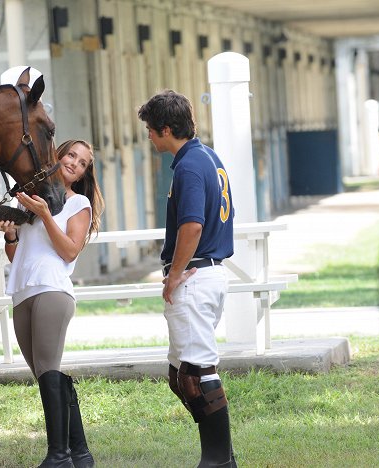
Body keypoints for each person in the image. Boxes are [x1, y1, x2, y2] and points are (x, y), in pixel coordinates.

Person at [0, 139, 104, 468]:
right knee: (45, 374)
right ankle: (80, 454)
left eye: (82, 163)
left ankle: (58, 456)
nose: (74, 163)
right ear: (57, 156)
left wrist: (45, 215)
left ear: (83, 174)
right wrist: (11, 234)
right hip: (23, 292)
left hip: (53, 291)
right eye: (71, 155)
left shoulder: (77, 203)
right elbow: (18, 254)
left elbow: (69, 250)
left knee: (49, 372)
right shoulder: (31, 200)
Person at [138, 90, 237, 467]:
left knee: (197, 373)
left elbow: (192, 226)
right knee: (179, 376)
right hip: (206, 272)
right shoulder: (207, 155)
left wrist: (173, 276)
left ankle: (218, 460)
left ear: (166, 129)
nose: (148, 136)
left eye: (151, 129)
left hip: (195, 274)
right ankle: (222, 453)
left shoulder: (190, 166)